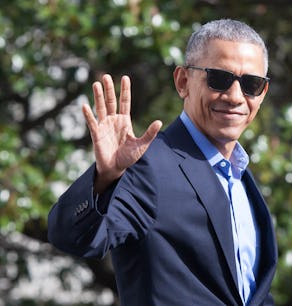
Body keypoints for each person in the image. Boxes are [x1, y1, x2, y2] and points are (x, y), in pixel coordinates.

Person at [48, 19, 277, 306]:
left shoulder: (242, 178)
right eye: (219, 79)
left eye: (251, 84)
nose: (234, 97)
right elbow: (72, 237)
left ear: (262, 93)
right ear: (183, 82)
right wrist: (104, 178)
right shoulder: (148, 167)